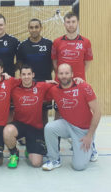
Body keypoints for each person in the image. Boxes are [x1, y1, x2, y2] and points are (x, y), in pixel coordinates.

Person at [51, 12, 97, 160]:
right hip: (61, 85)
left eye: (73, 22)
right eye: (68, 22)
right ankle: (55, 147)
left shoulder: (85, 42)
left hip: (79, 85)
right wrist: (62, 77)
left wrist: (79, 77)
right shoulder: (57, 42)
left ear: (77, 23)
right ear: (64, 24)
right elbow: (55, 63)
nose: (70, 25)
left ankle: (91, 146)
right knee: (58, 113)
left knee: (84, 115)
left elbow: (87, 63)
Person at [42, 64, 101, 171]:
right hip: (67, 124)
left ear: (72, 74)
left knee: (78, 166)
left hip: (83, 130)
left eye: (66, 73)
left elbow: (97, 112)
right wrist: (44, 83)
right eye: (61, 73)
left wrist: (89, 135)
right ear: (57, 75)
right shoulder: (54, 90)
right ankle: (54, 159)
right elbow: (34, 87)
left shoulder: (84, 87)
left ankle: (91, 145)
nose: (64, 76)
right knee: (49, 128)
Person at [3, 65, 56, 169]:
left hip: (35, 128)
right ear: (20, 76)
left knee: (36, 163)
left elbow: (61, 86)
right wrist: (3, 76)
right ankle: (14, 153)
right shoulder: (14, 88)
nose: (26, 77)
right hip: (19, 125)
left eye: (28, 74)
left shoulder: (42, 86)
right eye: (23, 74)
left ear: (33, 75)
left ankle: (29, 148)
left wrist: (76, 81)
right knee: (7, 131)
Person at [16, 18, 53, 125]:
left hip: (45, 83)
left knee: (44, 113)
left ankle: (43, 137)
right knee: (28, 111)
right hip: (29, 85)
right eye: (31, 27)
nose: (34, 30)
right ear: (28, 29)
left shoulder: (49, 44)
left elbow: (52, 63)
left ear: (41, 28)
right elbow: (19, 64)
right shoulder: (22, 46)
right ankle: (28, 135)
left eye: (36, 27)